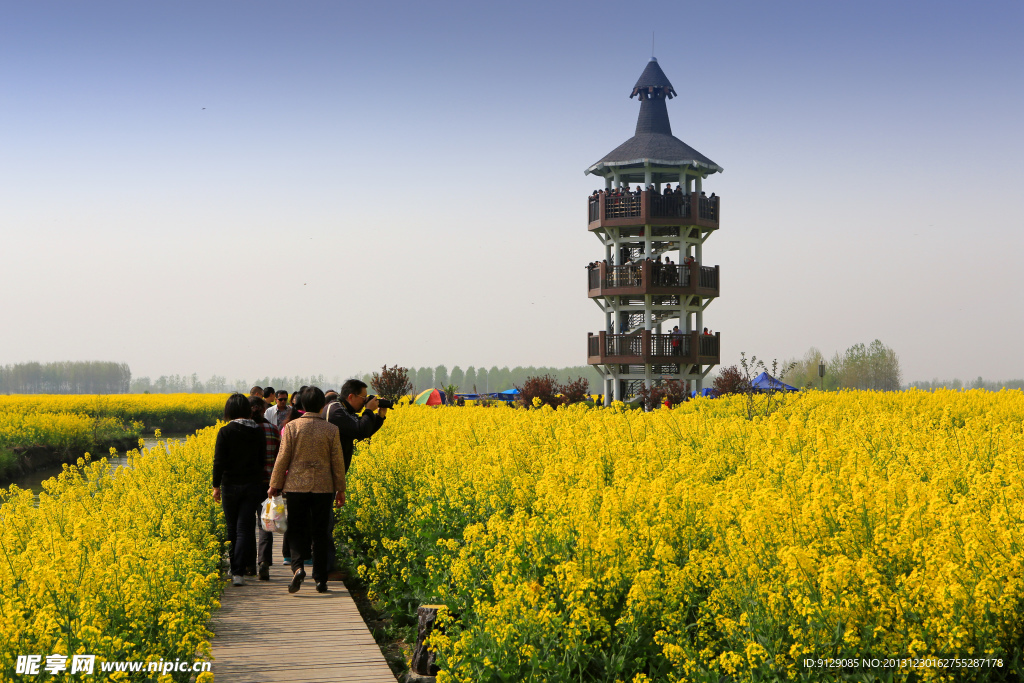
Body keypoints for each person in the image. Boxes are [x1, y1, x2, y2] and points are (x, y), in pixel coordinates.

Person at [268, 386, 345, 594]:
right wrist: (341, 489)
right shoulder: (331, 429)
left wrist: (274, 484)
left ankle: (298, 567)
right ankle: (320, 579)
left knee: (295, 529)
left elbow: (282, 457)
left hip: (295, 487)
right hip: (323, 487)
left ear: (301, 404)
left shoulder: (292, 427)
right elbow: (337, 461)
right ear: (322, 405)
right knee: (320, 532)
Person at [212, 394, 266, 587]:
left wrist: (215, 486)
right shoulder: (257, 431)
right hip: (252, 485)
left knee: (232, 528)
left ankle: (235, 569)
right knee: (244, 528)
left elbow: (219, 461)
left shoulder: (225, 431)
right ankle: (238, 572)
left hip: (230, 486)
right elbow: (262, 460)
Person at [249, 395, 281, 581]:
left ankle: (247, 564)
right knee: (266, 524)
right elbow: (280, 457)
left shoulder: (244, 430)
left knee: (246, 524)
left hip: (248, 483)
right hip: (269, 484)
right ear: (264, 410)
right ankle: (264, 563)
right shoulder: (272, 429)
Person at [326, 379, 388, 473]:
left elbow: (364, 431)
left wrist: (380, 417)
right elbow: (361, 430)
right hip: (326, 474)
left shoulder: (344, 409)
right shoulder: (336, 411)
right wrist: (369, 410)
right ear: (351, 396)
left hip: (334, 473)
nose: (365, 402)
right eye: (363, 398)